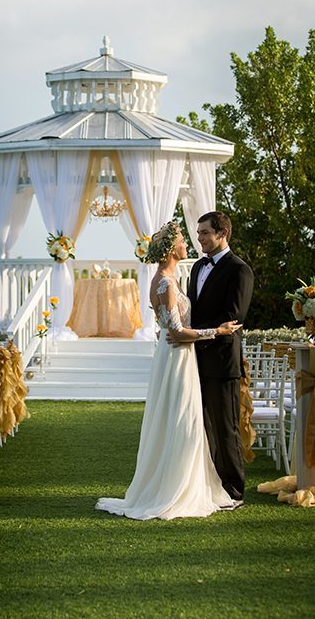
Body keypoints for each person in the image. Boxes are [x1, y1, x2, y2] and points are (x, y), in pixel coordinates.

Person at [95, 221, 242, 520]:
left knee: (183, 422)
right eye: (183, 240)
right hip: (177, 357)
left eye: (200, 234)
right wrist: (217, 331)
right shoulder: (165, 282)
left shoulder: (167, 279)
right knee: (183, 422)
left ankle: (187, 483)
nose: (190, 242)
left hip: (178, 358)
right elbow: (175, 332)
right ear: (172, 248)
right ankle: (176, 489)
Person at [188, 211, 254, 505]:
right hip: (192, 360)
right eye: (199, 232)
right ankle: (209, 485)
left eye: (204, 232)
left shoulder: (239, 270)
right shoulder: (196, 268)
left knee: (225, 427)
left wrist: (199, 337)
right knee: (203, 426)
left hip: (221, 360)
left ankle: (234, 490)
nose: (199, 237)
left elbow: (234, 317)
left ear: (222, 234)